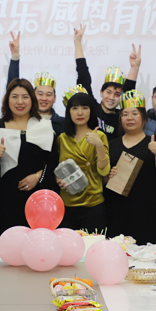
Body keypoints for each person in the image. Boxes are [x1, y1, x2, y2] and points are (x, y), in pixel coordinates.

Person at [0, 78, 57, 245]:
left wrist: (37, 176)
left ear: (32, 99)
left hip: (38, 199)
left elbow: (53, 162)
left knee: (37, 246)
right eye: (15, 96)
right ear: (7, 100)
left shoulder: (44, 126)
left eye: (25, 97)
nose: (20, 102)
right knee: (8, 246)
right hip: (6, 199)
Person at [104, 90, 156, 244]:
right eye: (125, 114)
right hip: (117, 213)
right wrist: (108, 176)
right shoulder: (111, 145)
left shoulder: (155, 144)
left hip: (149, 215)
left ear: (144, 118)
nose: (130, 118)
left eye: (135, 113)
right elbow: (103, 180)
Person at [55, 86, 111, 232]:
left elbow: (104, 172)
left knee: (93, 245)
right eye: (74, 108)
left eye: (85, 108)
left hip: (93, 204)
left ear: (91, 111)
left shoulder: (99, 136)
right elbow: (57, 168)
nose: (80, 113)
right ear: (68, 112)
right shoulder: (62, 139)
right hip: (67, 204)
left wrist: (99, 145)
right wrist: (58, 180)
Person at [72, 24, 139, 138]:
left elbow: (129, 91)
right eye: (108, 92)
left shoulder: (122, 117)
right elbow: (83, 76)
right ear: (101, 92)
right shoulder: (92, 108)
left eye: (117, 94)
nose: (112, 97)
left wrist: (135, 67)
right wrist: (78, 42)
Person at [6, 31, 64, 135]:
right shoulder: (23, 120)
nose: (44, 98)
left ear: (55, 98)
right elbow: (13, 88)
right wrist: (15, 57)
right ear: (33, 96)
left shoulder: (64, 124)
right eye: (40, 94)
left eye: (49, 94)